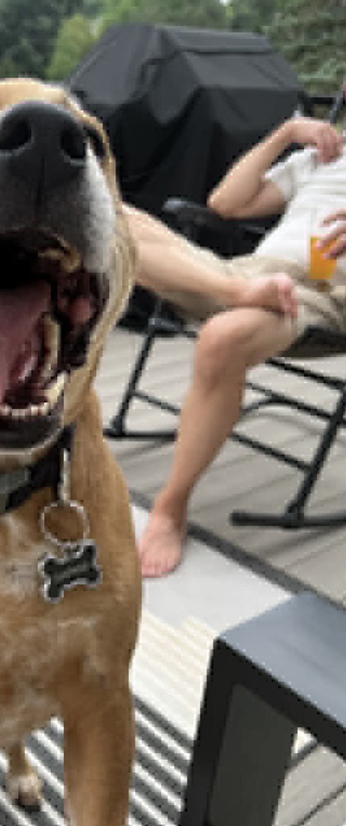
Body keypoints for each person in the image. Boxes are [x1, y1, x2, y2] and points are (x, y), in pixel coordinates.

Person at [122, 115, 346, 578]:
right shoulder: (321, 158)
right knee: (111, 220)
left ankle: (170, 508)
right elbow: (225, 202)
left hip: (322, 293)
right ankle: (233, 292)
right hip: (249, 274)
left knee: (222, 337)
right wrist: (284, 134)